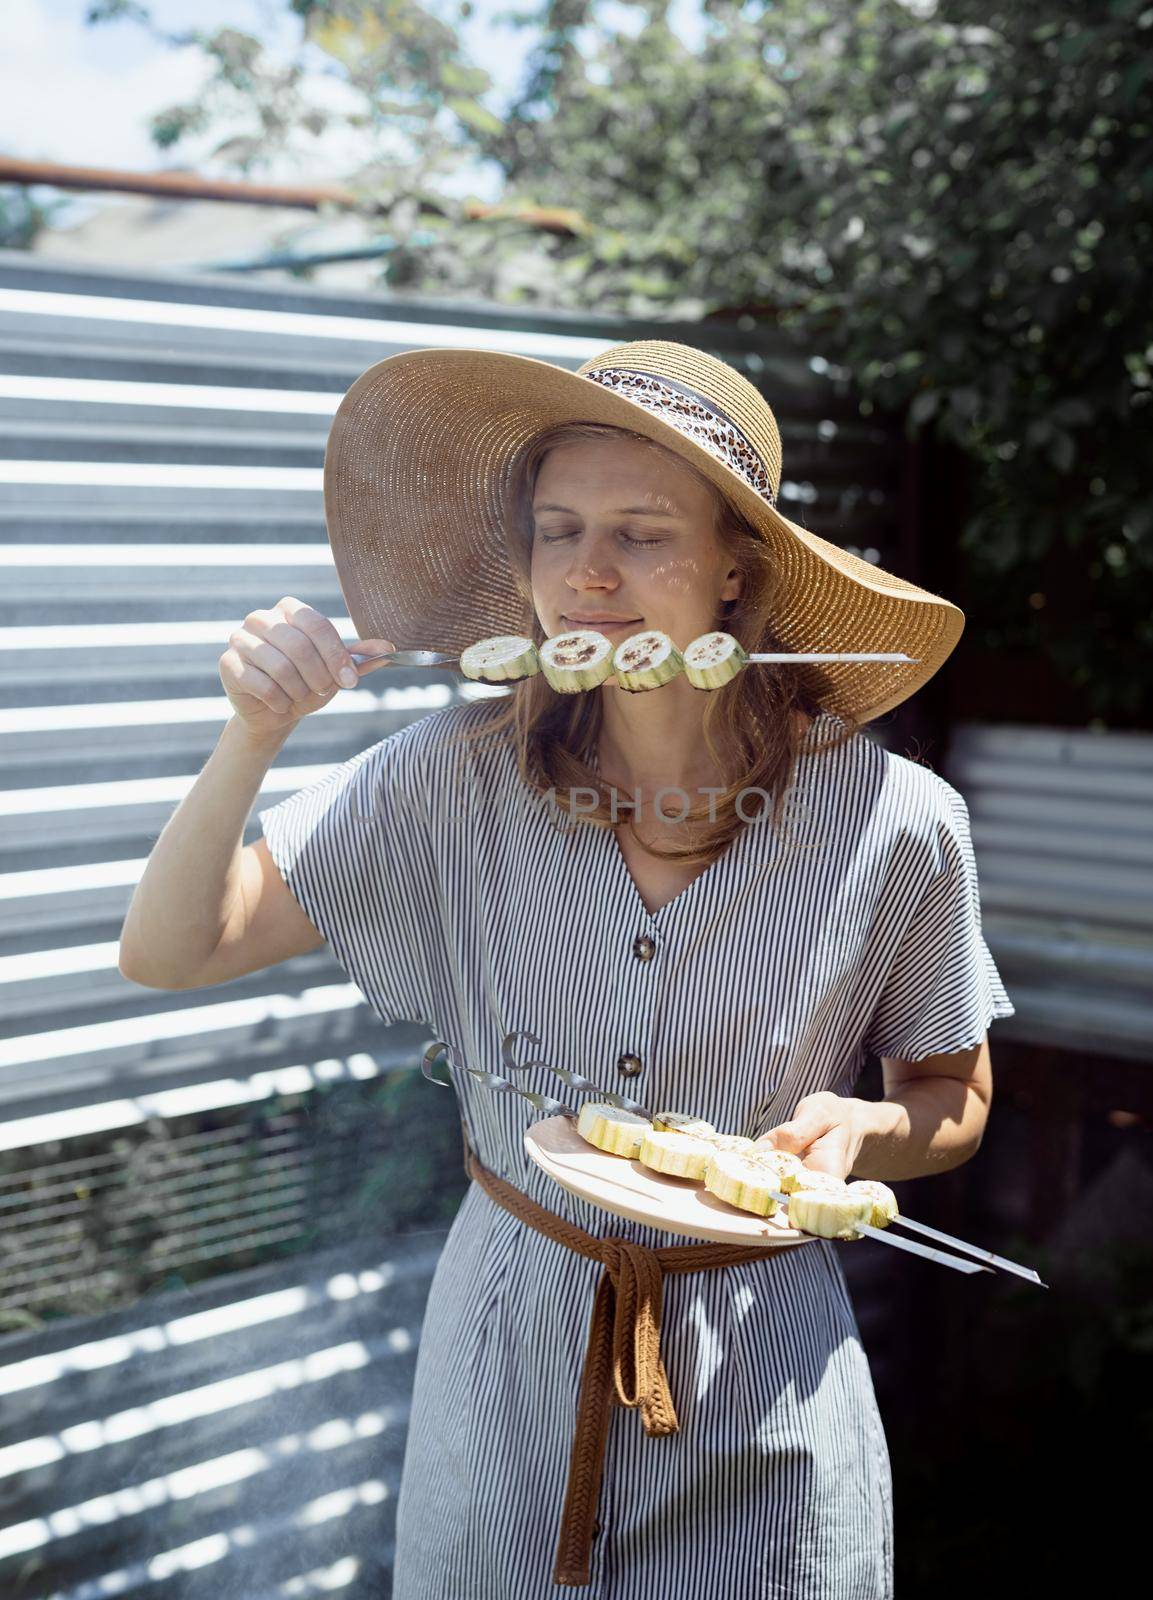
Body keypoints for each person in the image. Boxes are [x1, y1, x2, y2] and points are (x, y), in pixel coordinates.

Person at [119, 339, 1016, 1598]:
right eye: (558, 530)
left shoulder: (898, 820)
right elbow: (172, 948)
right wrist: (252, 733)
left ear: (734, 572)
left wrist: (865, 1134)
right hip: (506, 1370)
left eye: (643, 534)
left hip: (762, 1389)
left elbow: (954, 1098)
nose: (587, 575)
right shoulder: (451, 773)